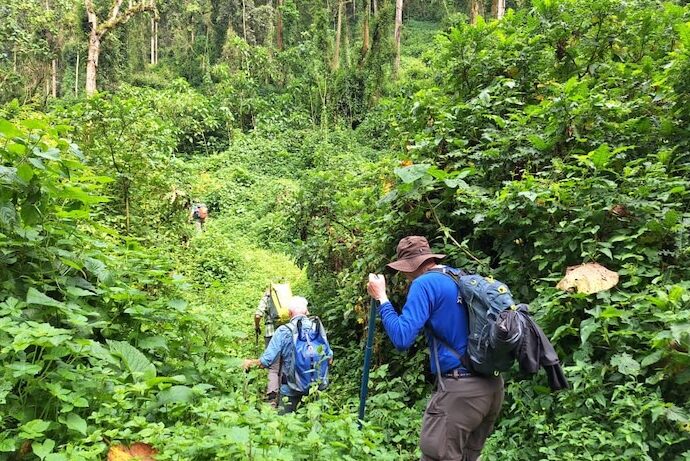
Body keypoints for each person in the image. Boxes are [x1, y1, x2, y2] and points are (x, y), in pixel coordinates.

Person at [366, 236, 504, 461]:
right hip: (492, 388)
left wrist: (382, 298)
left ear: (410, 266)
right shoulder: (458, 276)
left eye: (403, 269)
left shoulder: (425, 283)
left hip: (461, 391)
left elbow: (402, 337)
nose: (404, 275)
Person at [244, 296, 333, 414]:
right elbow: (329, 358)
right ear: (307, 312)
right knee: (313, 424)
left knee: (286, 424)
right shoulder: (316, 328)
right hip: (315, 388)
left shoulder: (283, 331)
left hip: (291, 388)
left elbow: (267, 361)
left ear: (289, 313)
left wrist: (250, 363)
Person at [253, 289, 281, 406]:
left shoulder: (267, 297)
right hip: (286, 334)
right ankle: (284, 395)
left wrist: (257, 326)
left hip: (271, 335)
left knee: (273, 367)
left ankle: (272, 397)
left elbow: (258, 314)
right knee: (284, 364)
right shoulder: (284, 298)